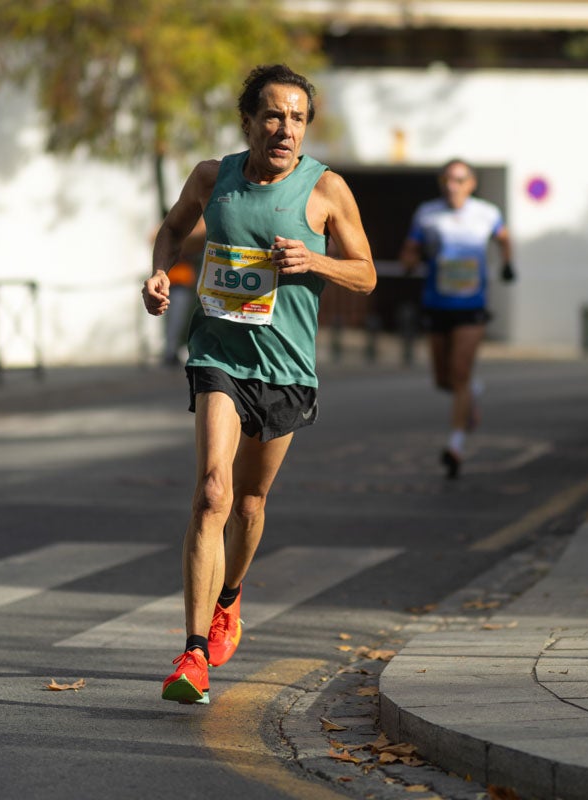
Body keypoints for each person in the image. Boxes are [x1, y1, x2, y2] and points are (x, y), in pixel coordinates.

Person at [141, 64, 376, 705]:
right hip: (218, 355)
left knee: (249, 505)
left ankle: (229, 597)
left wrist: (314, 259)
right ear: (248, 122)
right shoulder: (211, 178)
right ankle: (192, 655)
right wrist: (161, 273)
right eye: (273, 115)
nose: (286, 129)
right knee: (212, 493)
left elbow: (367, 275)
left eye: (298, 117)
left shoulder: (326, 189)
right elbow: (170, 228)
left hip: (287, 370)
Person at [400, 159, 514, 480]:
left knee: (460, 374)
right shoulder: (427, 214)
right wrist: (410, 259)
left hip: (471, 305)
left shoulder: (487, 213)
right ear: (442, 182)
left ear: (471, 183)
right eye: (448, 179)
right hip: (436, 303)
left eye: (460, 179)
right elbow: (410, 248)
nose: (454, 185)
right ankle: (472, 394)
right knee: (443, 380)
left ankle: (455, 445)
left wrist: (507, 263)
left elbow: (504, 238)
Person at [161, 217, 206, 366]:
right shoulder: (175, 229)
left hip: (184, 282)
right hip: (175, 283)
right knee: (175, 320)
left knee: (179, 319)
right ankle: (171, 352)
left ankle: (173, 350)